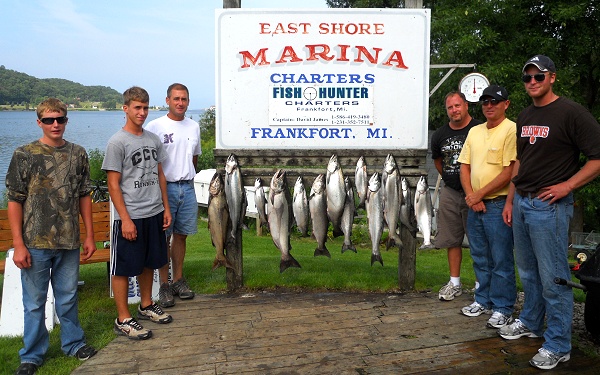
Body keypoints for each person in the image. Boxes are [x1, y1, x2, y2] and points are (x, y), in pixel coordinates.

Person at [500, 55, 600, 370]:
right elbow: (520, 162)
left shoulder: (572, 113)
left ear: (552, 78)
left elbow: (597, 159)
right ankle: (531, 322)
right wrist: (510, 200)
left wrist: (567, 186)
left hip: (549, 207)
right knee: (528, 273)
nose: (532, 82)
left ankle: (558, 344)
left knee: (553, 278)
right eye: (527, 78)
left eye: (538, 77)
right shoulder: (526, 114)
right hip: (523, 202)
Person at [6, 98, 97, 375]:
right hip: (34, 243)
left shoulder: (78, 153)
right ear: (39, 122)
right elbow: (14, 200)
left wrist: (89, 236)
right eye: (49, 120)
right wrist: (18, 245)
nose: (55, 124)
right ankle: (31, 356)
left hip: (69, 241)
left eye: (60, 119)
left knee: (67, 296)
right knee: (34, 303)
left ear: (66, 121)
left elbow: (84, 196)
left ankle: (73, 343)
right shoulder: (25, 154)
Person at [102, 86, 174, 340]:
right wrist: (125, 219)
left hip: (153, 211)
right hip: (129, 215)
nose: (142, 112)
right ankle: (123, 318)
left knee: (149, 262)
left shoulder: (152, 139)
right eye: (137, 107)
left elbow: (160, 174)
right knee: (122, 268)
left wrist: (165, 207)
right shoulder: (117, 142)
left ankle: (146, 305)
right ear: (126, 109)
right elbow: (113, 184)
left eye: (145, 107)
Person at [457, 85, 517, 329]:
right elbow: (464, 166)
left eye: (494, 101)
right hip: (476, 205)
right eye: (485, 102)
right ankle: (483, 299)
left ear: (506, 104)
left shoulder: (511, 129)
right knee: (480, 256)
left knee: (500, 259)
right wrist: (472, 196)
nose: (489, 106)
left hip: (498, 204)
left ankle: (503, 308)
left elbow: (511, 170)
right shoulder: (475, 131)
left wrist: (479, 194)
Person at [145, 83, 201, 307]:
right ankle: (164, 286)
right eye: (176, 99)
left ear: (188, 101)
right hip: (164, 188)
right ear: (167, 100)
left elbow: (194, 157)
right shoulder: (155, 126)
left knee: (181, 235)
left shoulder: (194, 126)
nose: (180, 103)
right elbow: (149, 161)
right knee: (163, 237)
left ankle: (178, 279)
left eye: (184, 99)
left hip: (187, 187)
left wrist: (187, 176)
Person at [430, 92, 483, 301]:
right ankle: (455, 283)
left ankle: (482, 286)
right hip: (451, 192)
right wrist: (452, 179)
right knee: (452, 240)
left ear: (466, 105)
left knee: (479, 241)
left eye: (457, 106)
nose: (454, 110)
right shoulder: (439, 135)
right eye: (450, 107)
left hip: (477, 193)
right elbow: (437, 161)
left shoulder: (479, 129)